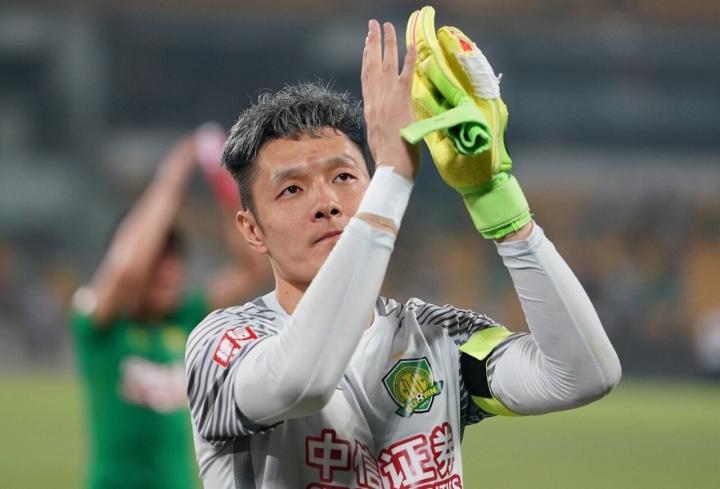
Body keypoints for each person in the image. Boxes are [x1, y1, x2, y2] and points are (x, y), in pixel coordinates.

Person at [185, 15, 621, 489]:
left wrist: (495, 198)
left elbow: (584, 375)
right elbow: (302, 383)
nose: (327, 203)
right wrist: (394, 174)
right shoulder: (223, 344)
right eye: (291, 189)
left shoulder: (436, 338)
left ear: (368, 187)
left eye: (344, 177)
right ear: (252, 230)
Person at [70, 131, 270, 489]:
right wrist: (174, 174)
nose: (169, 272)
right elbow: (127, 268)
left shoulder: (187, 318)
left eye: (174, 261)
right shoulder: (100, 323)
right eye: (158, 261)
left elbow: (252, 269)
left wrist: (224, 186)